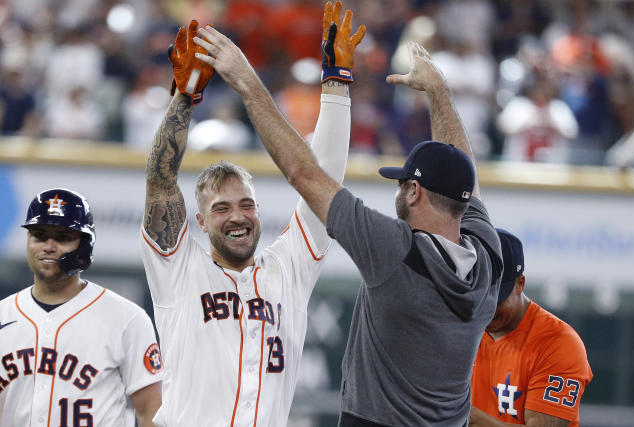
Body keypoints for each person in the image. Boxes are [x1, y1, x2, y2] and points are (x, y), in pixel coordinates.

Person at [194, 17, 503, 427]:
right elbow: (464, 173)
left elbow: (305, 175)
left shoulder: (397, 250)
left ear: (414, 193)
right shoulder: (488, 255)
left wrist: (248, 83)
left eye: (402, 183)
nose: (399, 191)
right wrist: (440, 93)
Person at [140, 4, 363, 425]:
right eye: (221, 208)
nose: (237, 216)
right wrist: (185, 97)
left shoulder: (289, 268)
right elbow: (160, 179)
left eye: (245, 205)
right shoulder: (178, 268)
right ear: (201, 222)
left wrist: (337, 85)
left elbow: (325, 181)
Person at [0, 188, 162, 426]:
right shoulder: (4, 315)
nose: (49, 246)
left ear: (84, 246)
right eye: (40, 235)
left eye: (63, 237)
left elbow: (152, 412)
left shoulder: (127, 320)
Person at [470, 229, 593, 427]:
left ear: (520, 284)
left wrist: (466, 415)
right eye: (480, 296)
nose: (487, 307)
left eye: (497, 299)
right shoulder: (460, 327)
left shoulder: (558, 343)